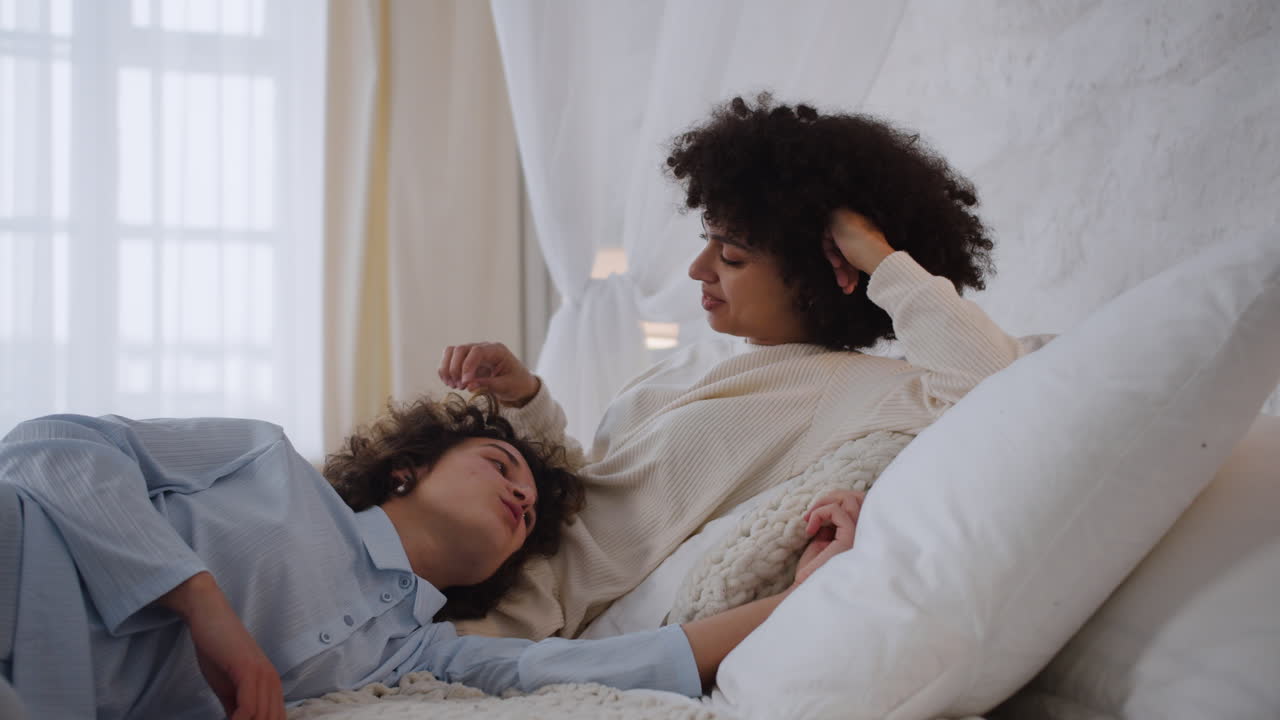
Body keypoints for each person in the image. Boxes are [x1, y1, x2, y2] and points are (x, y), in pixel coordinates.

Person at [439, 93, 1030, 641]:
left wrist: (878, 255)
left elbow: (995, 384)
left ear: (819, 279)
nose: (698, 269)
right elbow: (594, 492)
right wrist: (526, 400)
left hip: (501, 611)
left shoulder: (845, 389)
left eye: (731, 256)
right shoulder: (695, 362)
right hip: (471, 556)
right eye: (708, 242)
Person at [0, 394, 857, 719]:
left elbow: (620, 665)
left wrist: (803, 598)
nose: (521, 496)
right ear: (406, 469)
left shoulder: (413, 659)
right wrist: (200, 601)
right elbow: (51, 442)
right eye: (500, 464)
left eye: (530, 515)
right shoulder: (269, 462)